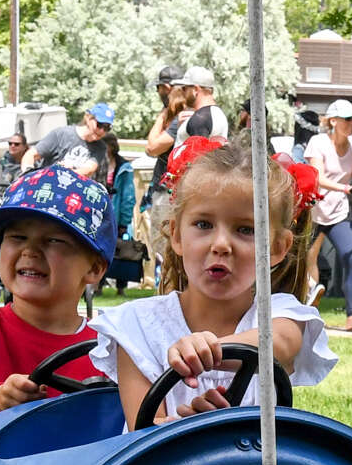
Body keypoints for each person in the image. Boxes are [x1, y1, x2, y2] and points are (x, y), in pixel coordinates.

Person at [95, 138, 336, 424]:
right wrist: (191, 426)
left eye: (245, 229)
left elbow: (278, 346)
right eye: (204, 225)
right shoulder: (136, 326)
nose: (221, 244)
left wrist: (206, 352)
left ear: (278, 248)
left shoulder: (282, 315)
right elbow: (142, 428)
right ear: (177, 235)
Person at [0, 166, 114, 426]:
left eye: (54, 240)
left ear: (94, 268)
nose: (30, 250)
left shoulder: (111, 348)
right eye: (17, 237)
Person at [305, 99, 352, 314]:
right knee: (307, 260)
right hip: (313, 210)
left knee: (351, 258)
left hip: (338, 213)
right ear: (333, 121)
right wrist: (346, 189)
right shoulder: (318, 142)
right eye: (348, 119)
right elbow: (317, 178)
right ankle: (308, 308)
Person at [141, 64, 189, 194]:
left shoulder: (181, 118)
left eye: (158, 87)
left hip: (168, 191)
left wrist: (163, 115)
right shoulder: (180, 116)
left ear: (167, 88)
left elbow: (152, 148)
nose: (158, 92)